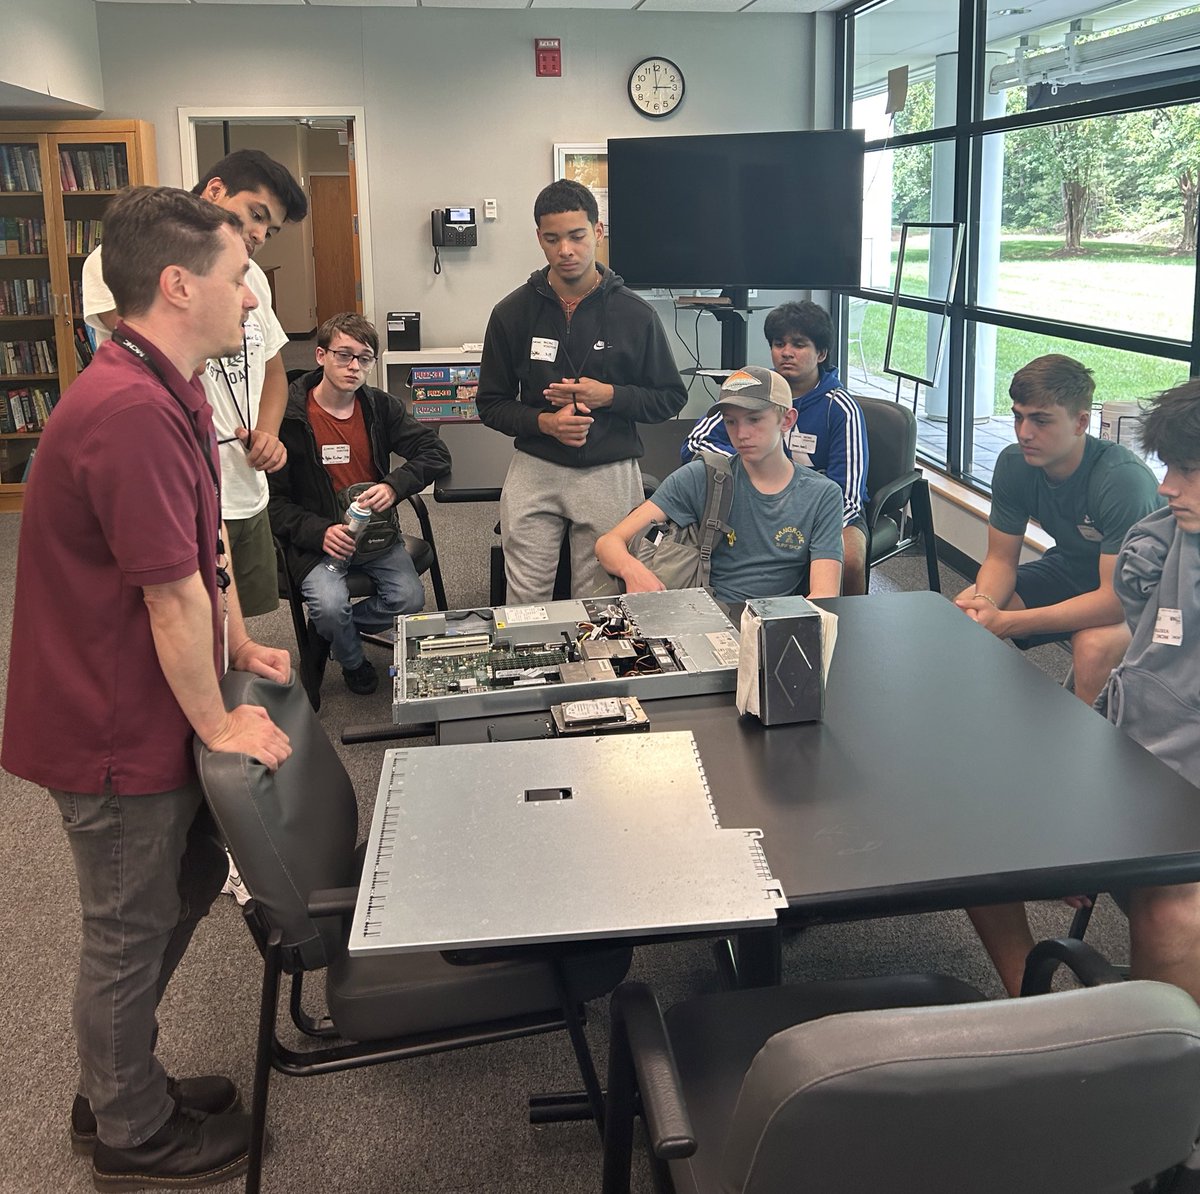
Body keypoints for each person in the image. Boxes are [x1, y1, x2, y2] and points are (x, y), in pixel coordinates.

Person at [2, 187, 292, 1189]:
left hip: (145, 699)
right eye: (236, 278)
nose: (250, 299)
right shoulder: (126, 408)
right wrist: (222, 723)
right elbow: (171, 597)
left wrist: (242, 643)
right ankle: (127, 1128)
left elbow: (203, 548)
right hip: (108, 725)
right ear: (178, 285)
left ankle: (120, 1073)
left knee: (190, 878)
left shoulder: (170, 381)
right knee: (128, 927)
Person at [959, 354, 1163, 996]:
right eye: (1018, 417)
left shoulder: (1121, 479)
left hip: (1139, 596)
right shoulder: (1015, 462)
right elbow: (999, 561)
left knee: (1093, 645)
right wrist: (982, 607)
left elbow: (1114, 598)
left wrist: (1015, 625)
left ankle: (1072, 788)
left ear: (1081, 421)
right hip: (1073, 572)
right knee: (967, 620)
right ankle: (984, 764)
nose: (1024, 431)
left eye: (1040, 420)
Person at [83, 149, 309, 617]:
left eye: (270, 230)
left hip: (243, 480)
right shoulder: (120, 261)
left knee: (235, 622)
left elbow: (272, 369)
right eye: (255, 215)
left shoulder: (253, 279)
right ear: (215, 190)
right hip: (174, 481)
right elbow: (157, 340)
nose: (259, 236)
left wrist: (267, 432)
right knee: (178, 610)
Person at [476, 178, 687, 604]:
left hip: (608, 471)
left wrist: (609, 395)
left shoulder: (636, 314)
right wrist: (544, 423)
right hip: (536, 464)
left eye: (577, 236)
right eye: (552, 239)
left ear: (598, 232)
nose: (565, 250)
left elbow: (670, 397)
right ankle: (530, 667)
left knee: (601, 600)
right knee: (526, 597)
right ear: (539, 239)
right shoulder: (511, 313)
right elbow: (491, 403)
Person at [269, 313, 451, 696]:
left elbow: (435, 453)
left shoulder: (379, 407)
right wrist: (320, 532)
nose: (354, 367)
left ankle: (332, 633)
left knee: (408, 598)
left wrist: (394, 485)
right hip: (317, 542)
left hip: (376, 537)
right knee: (331, 604)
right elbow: (273, 504)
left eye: (364, 358)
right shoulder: (286, 417)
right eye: (343, 355)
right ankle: (352, 661)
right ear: (320, 355)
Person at [1095, 379, 1200, 1001]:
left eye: (1188, 470)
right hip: (1150, 765)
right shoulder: (1163, 541)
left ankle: (1170, 1084)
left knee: (1169, 908)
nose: (1166, 486)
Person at [596, 366, 844, 603]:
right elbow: (608, 543)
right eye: (730, 422)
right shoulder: (702, 476)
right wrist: (634, 572)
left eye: (754, 419)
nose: (741, 433)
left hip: (773, 623)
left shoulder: (822, 495)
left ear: (787, 420)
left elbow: (824, 595)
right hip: (702, 614)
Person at [684, 300, 870, 594]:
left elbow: (848, 496)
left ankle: (849, 624)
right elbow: (694, 443)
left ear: (820, 353)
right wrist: (747, 458)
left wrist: (803, 516)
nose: (786, 352)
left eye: (799, 344)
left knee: (849, 558)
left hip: (826, 510)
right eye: (778, 343)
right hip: (753, 498)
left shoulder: (841, 408)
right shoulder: (753, 392)